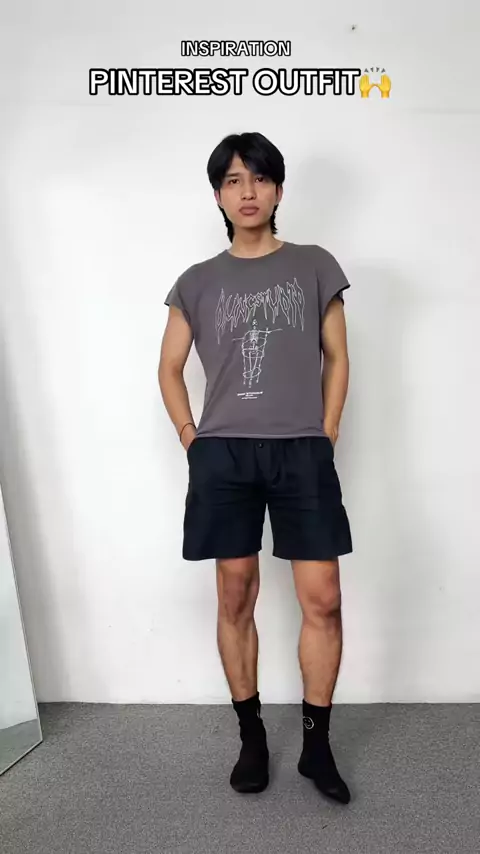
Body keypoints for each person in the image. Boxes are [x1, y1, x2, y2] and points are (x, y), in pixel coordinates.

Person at [158, 131, 353, 805]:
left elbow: (338, 357)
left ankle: (317, 747)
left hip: (301, 449)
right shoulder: (196, 281)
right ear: (218, 195)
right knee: (235, 594)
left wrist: (326, 432)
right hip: (224, 454)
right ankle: (252, 738)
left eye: (260, 179)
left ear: (278, 189)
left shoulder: (314, 265)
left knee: (323, 598)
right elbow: (169, 368)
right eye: (234, 181)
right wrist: (192, 438)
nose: (248, 192)